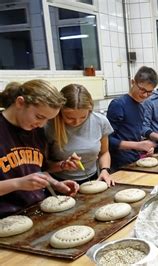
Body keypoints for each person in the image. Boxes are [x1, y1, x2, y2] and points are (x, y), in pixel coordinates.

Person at [0, 80, 79, 218]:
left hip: (35, 210)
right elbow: (21, 179)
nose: (42, 124)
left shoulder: (36, 131)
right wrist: (17, 183)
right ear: (20, 103)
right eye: (39, 117)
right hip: (6, 218)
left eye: (47, 120)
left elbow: (37, 170)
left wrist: (55, 184)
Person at [45, 84, 115, 186]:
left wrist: (105, 170)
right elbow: (43, 166)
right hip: (59, 183)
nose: (76, 122)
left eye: (83, 117)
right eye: (70, 117)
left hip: (93, 179)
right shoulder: (48, 126)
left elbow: (104, 152)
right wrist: (62, 165)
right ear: (59, 111)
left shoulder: (100, 121)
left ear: (90, 109)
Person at [107, 66, 158, 172]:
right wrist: (138, 145)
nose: (145, 95)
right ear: (133, 82)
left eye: (149, 92)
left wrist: (146, 149)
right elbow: (107, 141)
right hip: (119, 165)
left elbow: (133, 135)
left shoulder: (141, 106)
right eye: (142, 90)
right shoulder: (118, 105)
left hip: (134, 161)